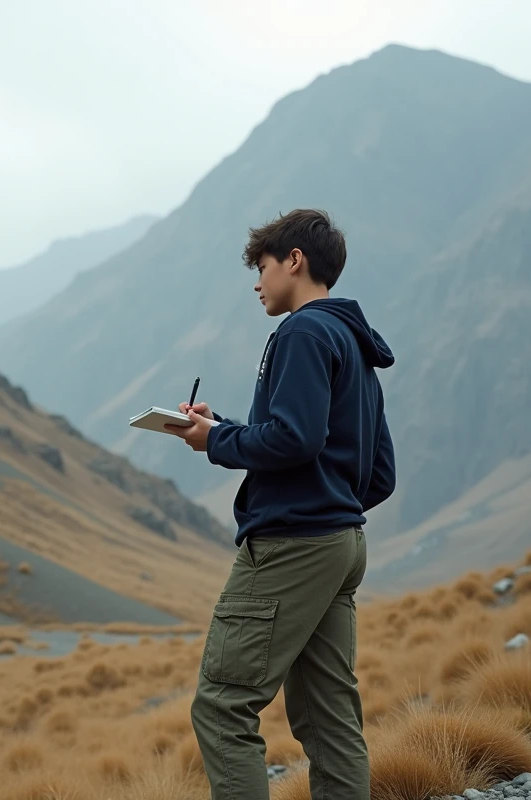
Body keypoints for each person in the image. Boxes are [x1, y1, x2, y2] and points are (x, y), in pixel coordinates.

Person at [166, 208, 396, 800]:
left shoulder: (300, 332)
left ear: (295, 261)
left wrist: (214, 439)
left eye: (262, 267)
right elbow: (380, 472)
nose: (256, 281)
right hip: (342, 544)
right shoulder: (353, 342)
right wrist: (228, 428)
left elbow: (295, 439)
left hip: (291, 545)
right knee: (329, 720)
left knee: (222, 707)